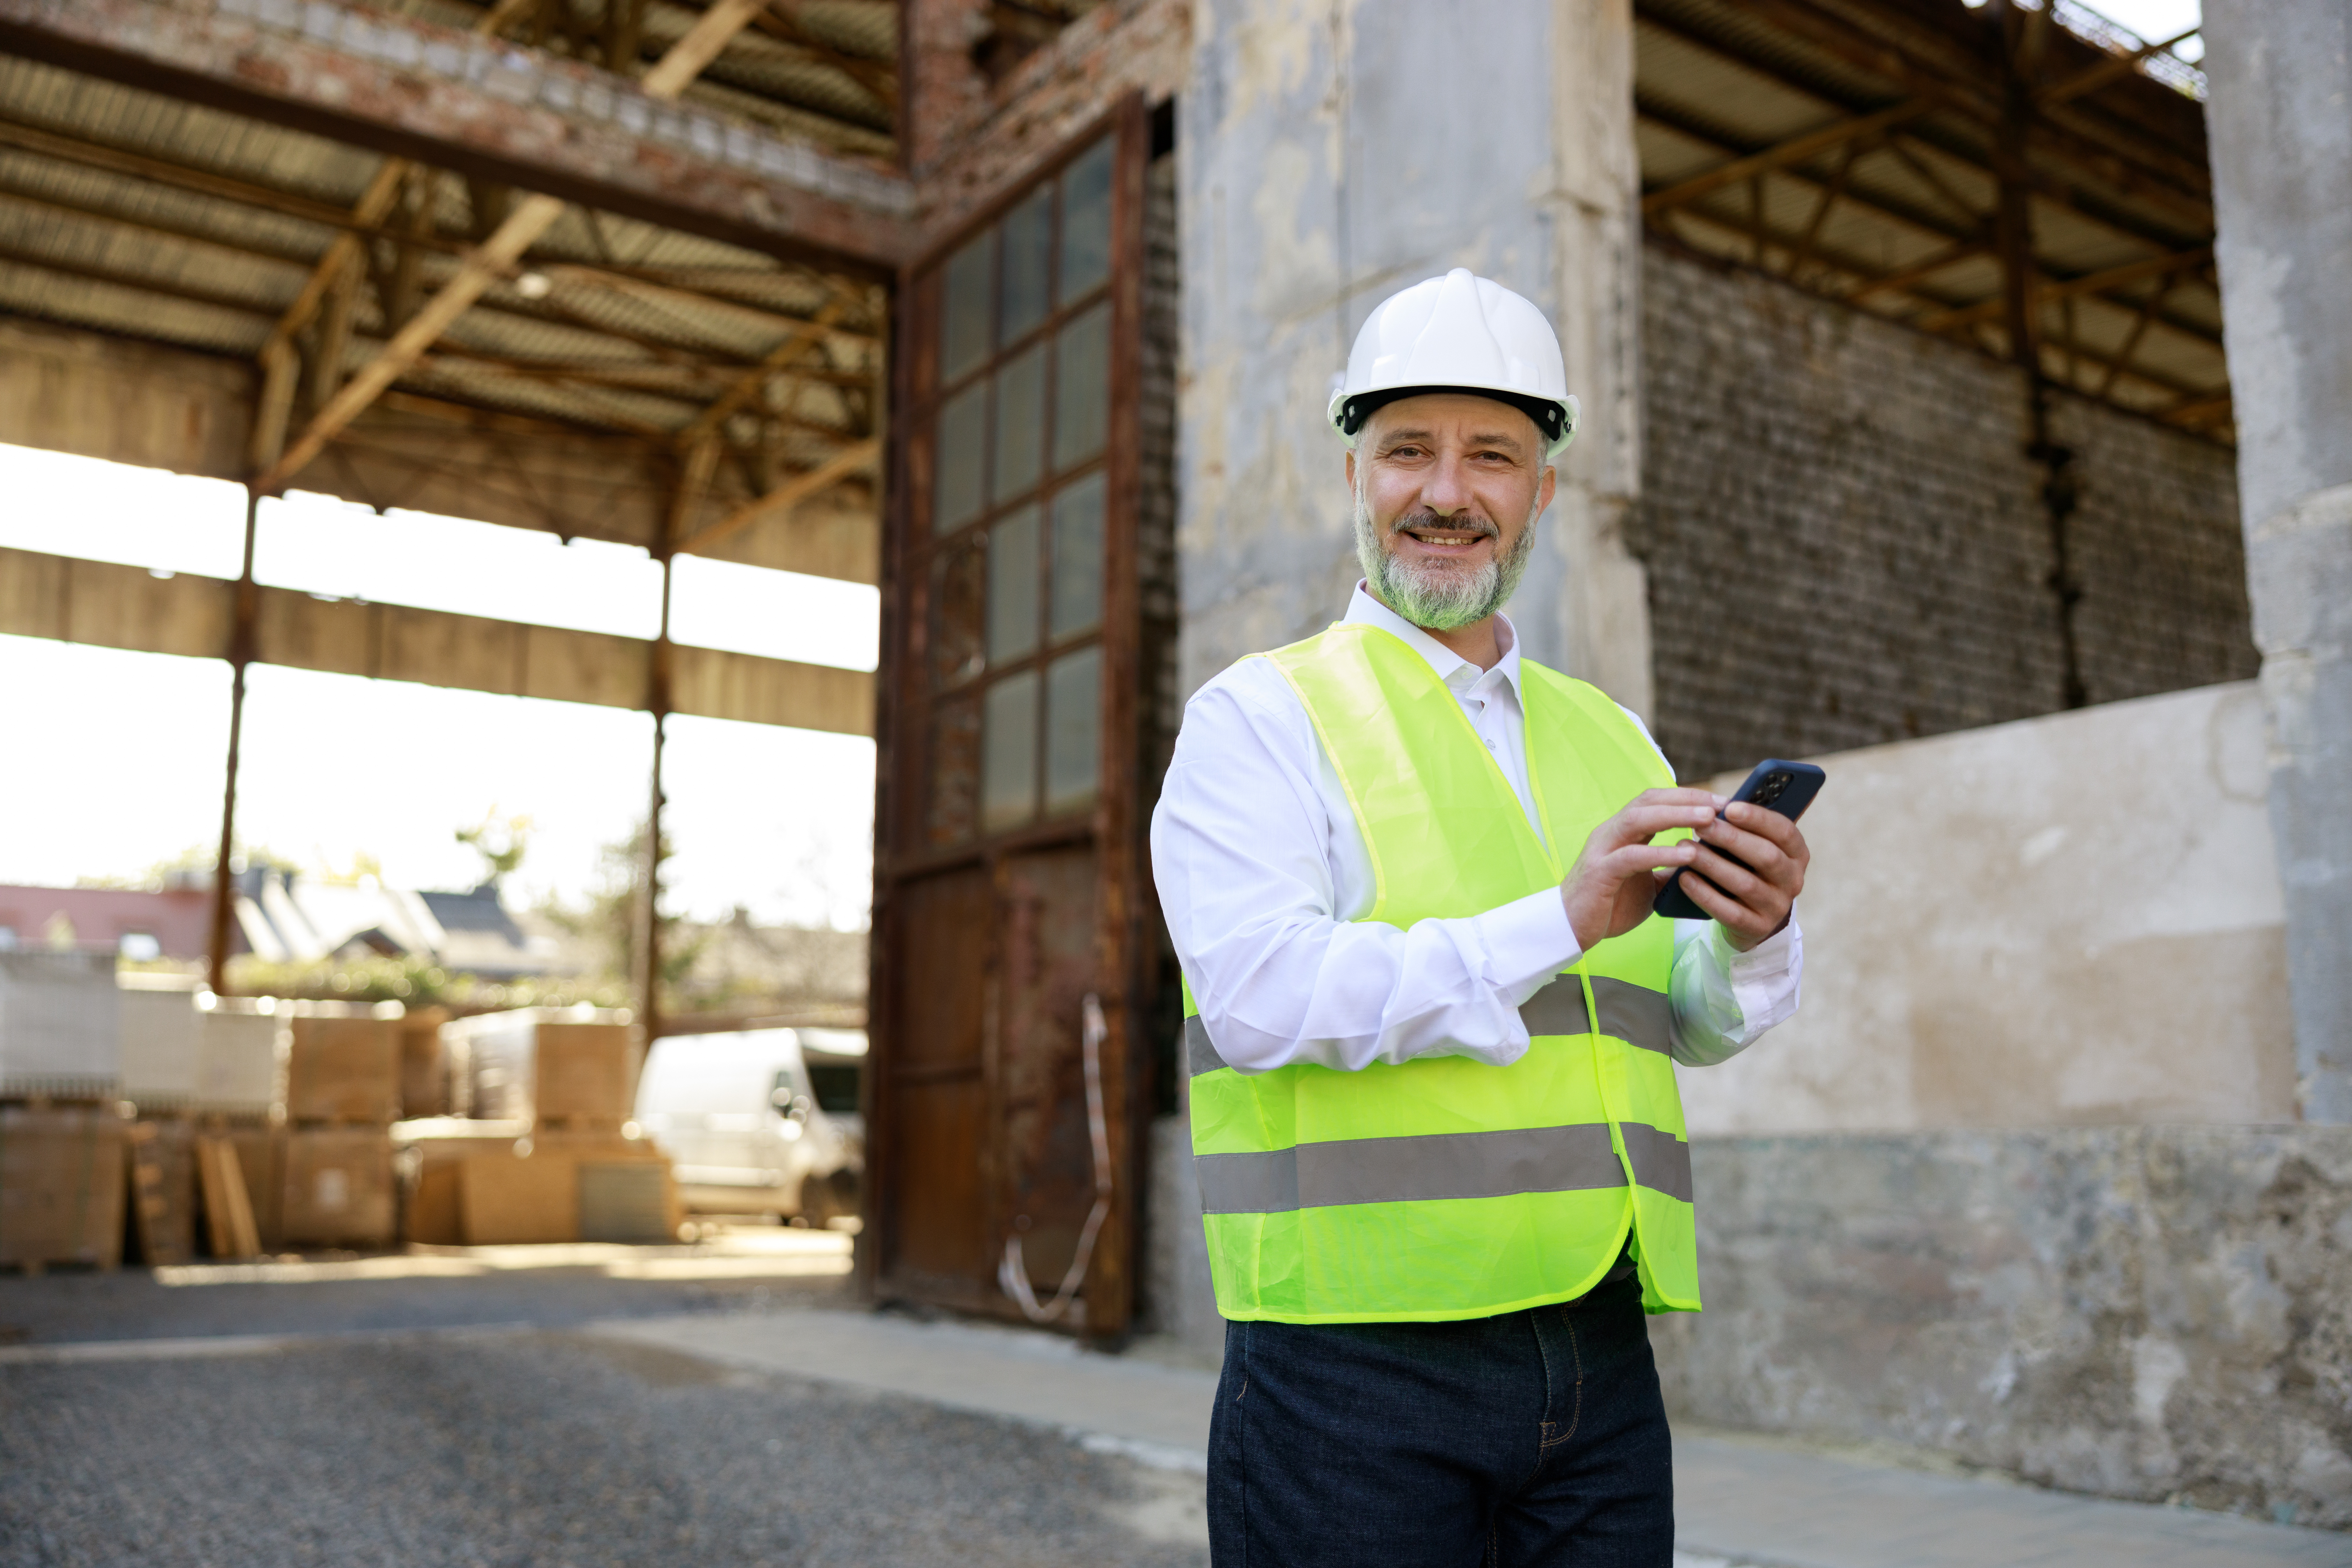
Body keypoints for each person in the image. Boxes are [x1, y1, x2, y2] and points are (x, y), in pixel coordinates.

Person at [1149, 268, 1812, 1566]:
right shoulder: (1260, 718)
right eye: (1409, 450)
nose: (1447, 492)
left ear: (1540, 494)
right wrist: (1557, 917)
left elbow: (1679, 1021)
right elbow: (1261, 996)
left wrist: (1754, 936)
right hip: (1355, 1367)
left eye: (1493, 455)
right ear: (1356, 475)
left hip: (1598, 1349)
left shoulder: (1610, 730)